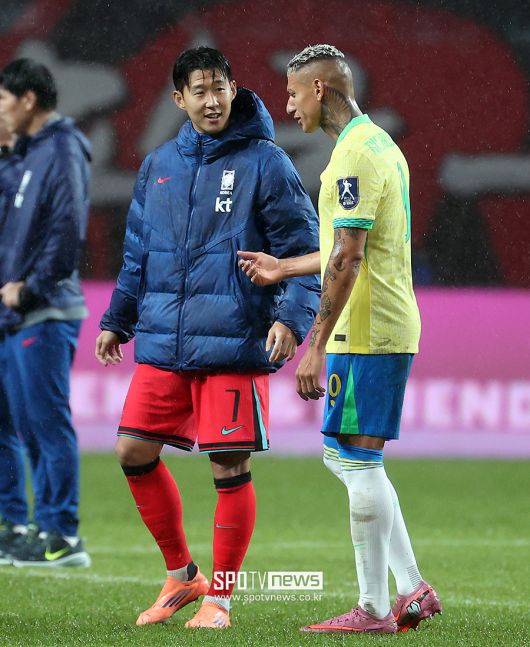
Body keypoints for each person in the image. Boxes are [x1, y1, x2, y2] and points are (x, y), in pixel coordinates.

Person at [95, 46, 319, 630]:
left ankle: (220, 598)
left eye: (220, 88)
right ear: (180, 99)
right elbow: (138, 253)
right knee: (132, 451)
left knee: (227, 464)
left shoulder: (266, 161)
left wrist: (290, 320)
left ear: (233, 89)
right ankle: (181, 574)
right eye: (199, 91)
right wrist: (117, 319)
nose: (212, 100)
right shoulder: (158, 164)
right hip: (165, 338)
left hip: (234, 340)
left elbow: (304, 251)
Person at [238, 44, 441, 634]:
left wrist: (316, 342)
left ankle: (375, 609)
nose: (288, 105)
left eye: (292, 93)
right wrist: (282, 267)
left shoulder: (353, 157)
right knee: (347, 457)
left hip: (367, 330)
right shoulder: (378, 144)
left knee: (356, 458)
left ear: (319, 90)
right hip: (378, 323)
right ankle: (411, 587)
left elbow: (348, 258)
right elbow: (343, 246)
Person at [0, 59, 91, 567]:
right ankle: (36, 527)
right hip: (21, 313)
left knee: (46, 426)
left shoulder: (62, 148)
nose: (0, 110)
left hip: (45, 309)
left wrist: (30, 289)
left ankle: (63, 535)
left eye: (2, 99)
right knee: (27, 426)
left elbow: (67, 228)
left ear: (28, 99)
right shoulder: (32, 152)